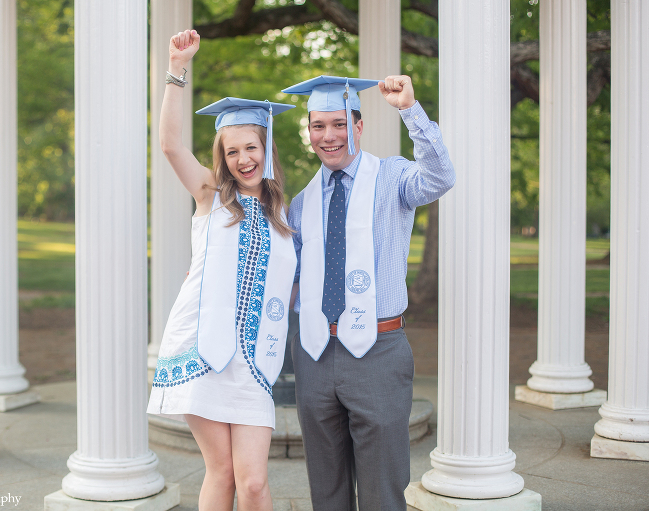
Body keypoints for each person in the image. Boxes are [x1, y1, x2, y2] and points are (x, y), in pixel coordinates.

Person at [283, 75, 456, 510]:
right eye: (318, 126)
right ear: (309, 132)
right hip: (316, 352)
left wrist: (409, 110)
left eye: (339, 124)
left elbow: (440, 177)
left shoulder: (392, 176)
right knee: (326, 488)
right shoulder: (303, 202)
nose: (329, 136)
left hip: (379, 349)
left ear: (358, 127)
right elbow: (291, 276)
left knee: (383, 488)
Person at [145, 29, 297, 511]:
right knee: (223, 472)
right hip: (203, 348)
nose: (243, 159)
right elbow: (170, 146)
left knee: (253, 482)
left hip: (254, 361)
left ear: (266, 146)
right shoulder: (212, 196)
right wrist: (177, 67)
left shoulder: (285, 216)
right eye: (232, 152)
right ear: (223, 159)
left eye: (250, 148)